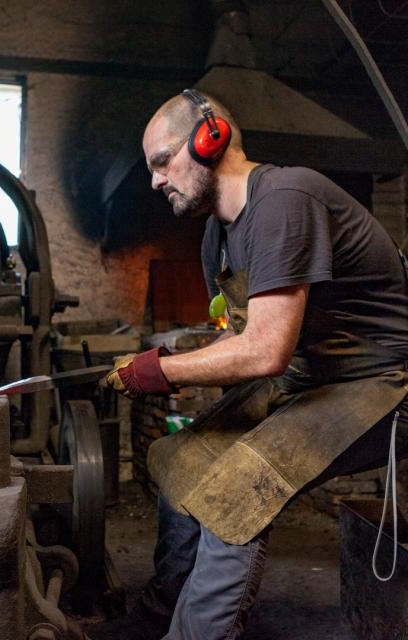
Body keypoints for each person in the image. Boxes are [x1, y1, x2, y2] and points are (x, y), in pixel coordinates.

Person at [101, 89, 408, 639]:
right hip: (309, 377)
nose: (155, 180)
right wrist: (174, 358)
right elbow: (245, 337)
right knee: (180, 458)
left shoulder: (287, 199)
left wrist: (158, 371)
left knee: (241, 483)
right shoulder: (217, 235)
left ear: (209, 138)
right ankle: (155, 619)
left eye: (161, 161)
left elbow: (265, 351)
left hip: (383, 383)